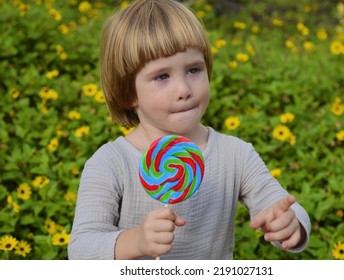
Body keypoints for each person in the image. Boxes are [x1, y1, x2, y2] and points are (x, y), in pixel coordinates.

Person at [68, 0, 311, 260]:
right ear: (128, 92)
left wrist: (288, 222)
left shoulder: (236, 155)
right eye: (162, 76)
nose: (184, 90)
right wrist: (135, 241)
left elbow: (278, 202)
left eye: (194, 70)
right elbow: (81, 248)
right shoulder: (110, 163)